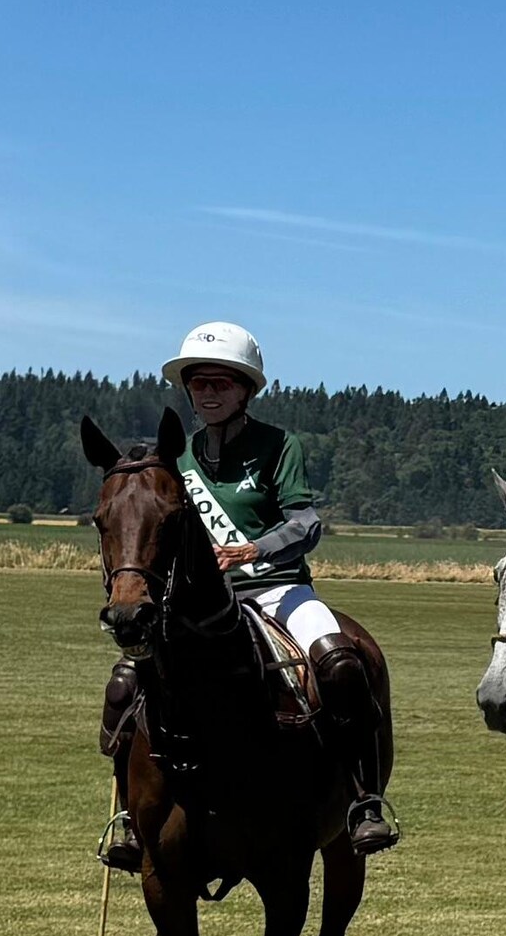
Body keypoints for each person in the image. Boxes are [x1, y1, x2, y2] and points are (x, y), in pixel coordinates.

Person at [159, 321, 400, 856]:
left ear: (246, 390)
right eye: (199, 382)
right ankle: (135, 815)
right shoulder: (179, 459)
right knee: (131, 678)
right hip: (203, 603)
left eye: (222, 382)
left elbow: (305, 524)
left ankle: (364, 801)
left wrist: (251, 550)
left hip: (277, 590)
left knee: (340, 662)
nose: (209, 392)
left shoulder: (279, 446)